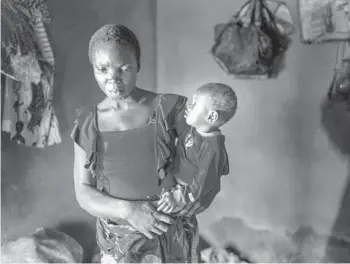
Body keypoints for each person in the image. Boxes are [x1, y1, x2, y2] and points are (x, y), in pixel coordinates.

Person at [71, 24, 199, 263]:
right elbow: (83, 191)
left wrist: (191, 194)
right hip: (120, 245)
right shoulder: (88, 123)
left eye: (124, 68)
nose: (113, 78)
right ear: (93, 70)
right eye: (102, 69)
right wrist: (129, 211)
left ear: (138, 65)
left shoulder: (170, 109)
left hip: (171, 240)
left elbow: (201, 159)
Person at [156, 83, 236, 214]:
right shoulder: (195, 127)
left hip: (184, 194)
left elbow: (202, 186)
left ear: (211, 117)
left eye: (195, 104)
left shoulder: (212, 149)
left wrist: (178, 198)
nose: (189, 107)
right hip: (173, 179)